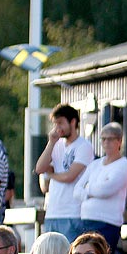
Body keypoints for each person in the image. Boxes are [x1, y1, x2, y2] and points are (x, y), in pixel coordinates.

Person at [35, 103, 94, 242]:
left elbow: (70, 176)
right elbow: (39, 168)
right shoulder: (56, 145)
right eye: (55, 124)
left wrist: (52, 175)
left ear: (73, 122)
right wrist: (51, 143)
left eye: (61, 123)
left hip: (73, 212)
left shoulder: (83, 146)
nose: (57, 128)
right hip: (53, 211)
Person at [74, 121, 127, 254]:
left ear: (119, 141)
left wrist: (87, 189)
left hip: (107, 223)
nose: (106, 143)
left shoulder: (123, 165)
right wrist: (91, 192)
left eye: (110, 139)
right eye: (103, 139)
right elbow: (76, 190)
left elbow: (107, 189)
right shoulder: (95, 164)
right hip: (86, 220)